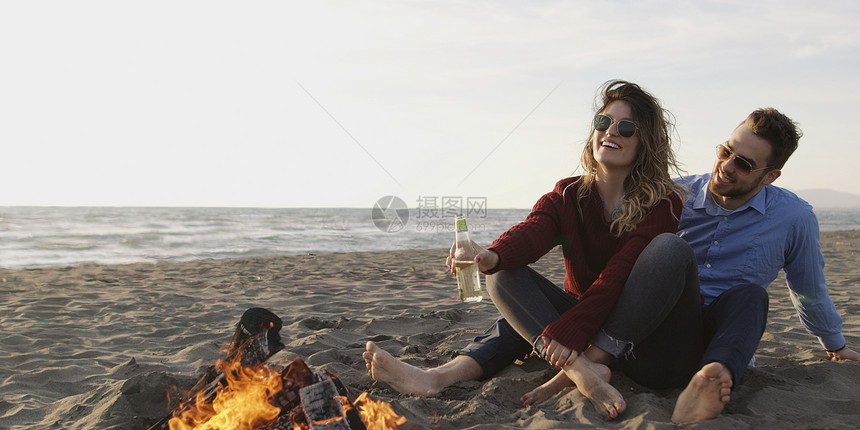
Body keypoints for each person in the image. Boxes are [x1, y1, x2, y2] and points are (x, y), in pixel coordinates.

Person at [364, 80, 695, 420]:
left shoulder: (662, 202)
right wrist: (491, 256)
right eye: (603, 122)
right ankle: (435, 378)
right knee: (503, 278)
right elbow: (536, 229)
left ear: (645, 143)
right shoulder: (569, 195)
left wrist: (569, 330)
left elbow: (619, 273)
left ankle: (578, 370)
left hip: (639, 340)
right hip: (585, 328)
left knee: (669, 248)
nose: (611, 132)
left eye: (626, 128)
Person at [521, 107, 860, 423]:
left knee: (751, 296)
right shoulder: (671, 194)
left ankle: (713, 378)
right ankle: (587, 367)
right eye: (725, 151)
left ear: (770, 175)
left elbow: (809, 292)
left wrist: (836, 345)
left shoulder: (794, 218)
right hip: (647, 332)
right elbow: (613, 266)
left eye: (742, 163)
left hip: (716, 339)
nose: (726, 166)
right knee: (670, 248)